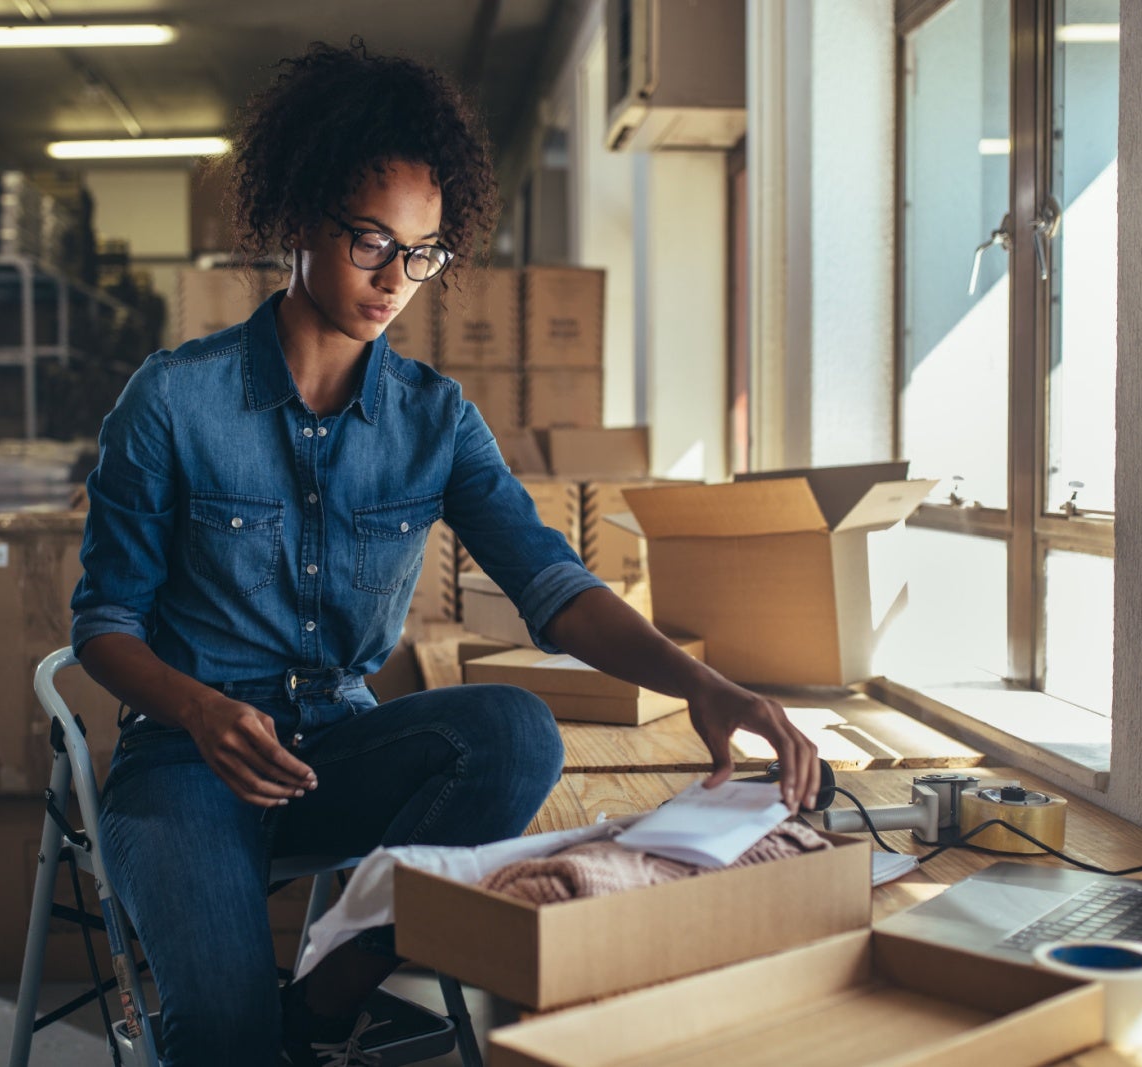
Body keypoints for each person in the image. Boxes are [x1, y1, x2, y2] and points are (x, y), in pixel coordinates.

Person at [71, 38, 819, 1067]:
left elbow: (550, 583)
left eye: (422, 253)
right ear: (298, 218)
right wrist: (200, 709)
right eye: (371, 240)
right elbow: (103, 625)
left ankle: (327, 996)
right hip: (188, 755)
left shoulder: (435, 418)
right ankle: (267, 1021)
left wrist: (704, 683)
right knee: (221, 1042)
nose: (396, 279)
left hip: (337, 739)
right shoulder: (172, 399)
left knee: (514, 730)